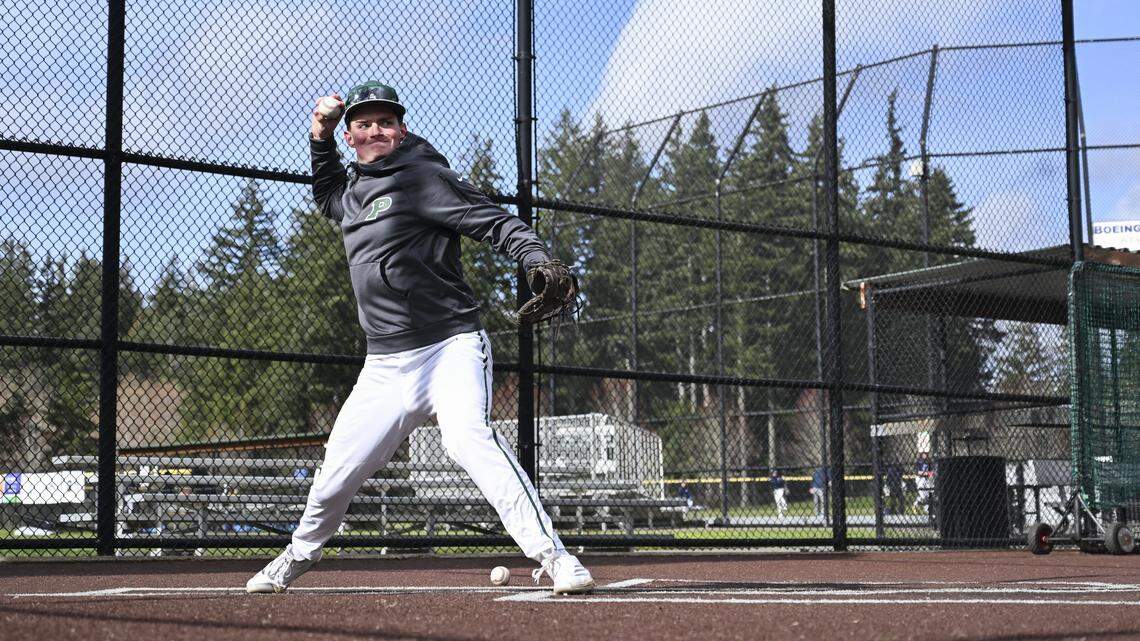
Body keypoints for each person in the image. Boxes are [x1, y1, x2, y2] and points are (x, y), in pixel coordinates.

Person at [246, 81, 593, 595]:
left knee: (468, 439)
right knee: (337, 470)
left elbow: (493, 220)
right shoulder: (351, 192)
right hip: (385, 365)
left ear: (401, 128)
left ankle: (554, 557)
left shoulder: (421, 177)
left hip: (449, 345)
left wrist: (535, 257)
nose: (375, 130)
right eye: (364, 123)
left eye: (385, 121)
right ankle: (298, 553)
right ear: (351, 136)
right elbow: (326, 194)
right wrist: (318, 135)